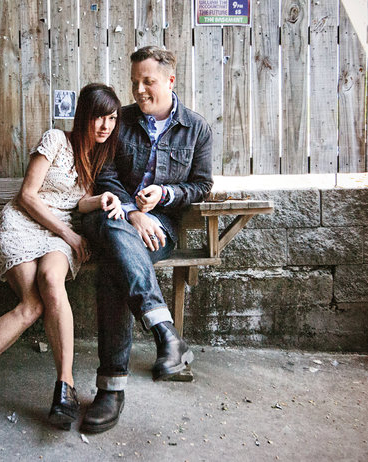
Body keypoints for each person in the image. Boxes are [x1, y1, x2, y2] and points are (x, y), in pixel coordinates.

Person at [0, 83, 124, 434]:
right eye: (100, 117)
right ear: (84, 115)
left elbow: (78, 201)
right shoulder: (55, 139)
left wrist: (102, 200)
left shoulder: (99, 156)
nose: (106, 125)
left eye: (112, 118)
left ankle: (65, 388)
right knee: (31, 305)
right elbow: (27, 195)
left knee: (52, 281)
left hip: (59, 233)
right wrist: (69, 234)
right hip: (23, 224)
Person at [80, 46, 213, 434]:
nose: (138, 90)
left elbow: (201, 185)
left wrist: (166, 194)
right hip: (114, 216)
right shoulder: (119, 120)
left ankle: (111, 390)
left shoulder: (197, 128)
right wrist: (132, 211)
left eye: (147, 81)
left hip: (160, 229)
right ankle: (165, 333)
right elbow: (103, 174)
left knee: (114, 266)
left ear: (170, 80)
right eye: (134, 82)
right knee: (115, 234)